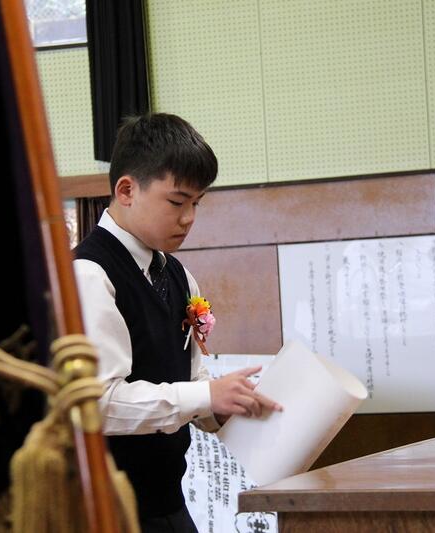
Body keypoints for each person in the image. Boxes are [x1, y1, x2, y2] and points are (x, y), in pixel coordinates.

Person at [73, 113, 282, 532]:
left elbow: (191, 379)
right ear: (127, 190)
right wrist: (205, 396)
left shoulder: (178, 275)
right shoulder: (88, 274)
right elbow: (97, 404)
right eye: (177, 202)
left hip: (167, 500)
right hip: (104, 511)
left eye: (196, 203)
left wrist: (225, 407)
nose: (189, 218)